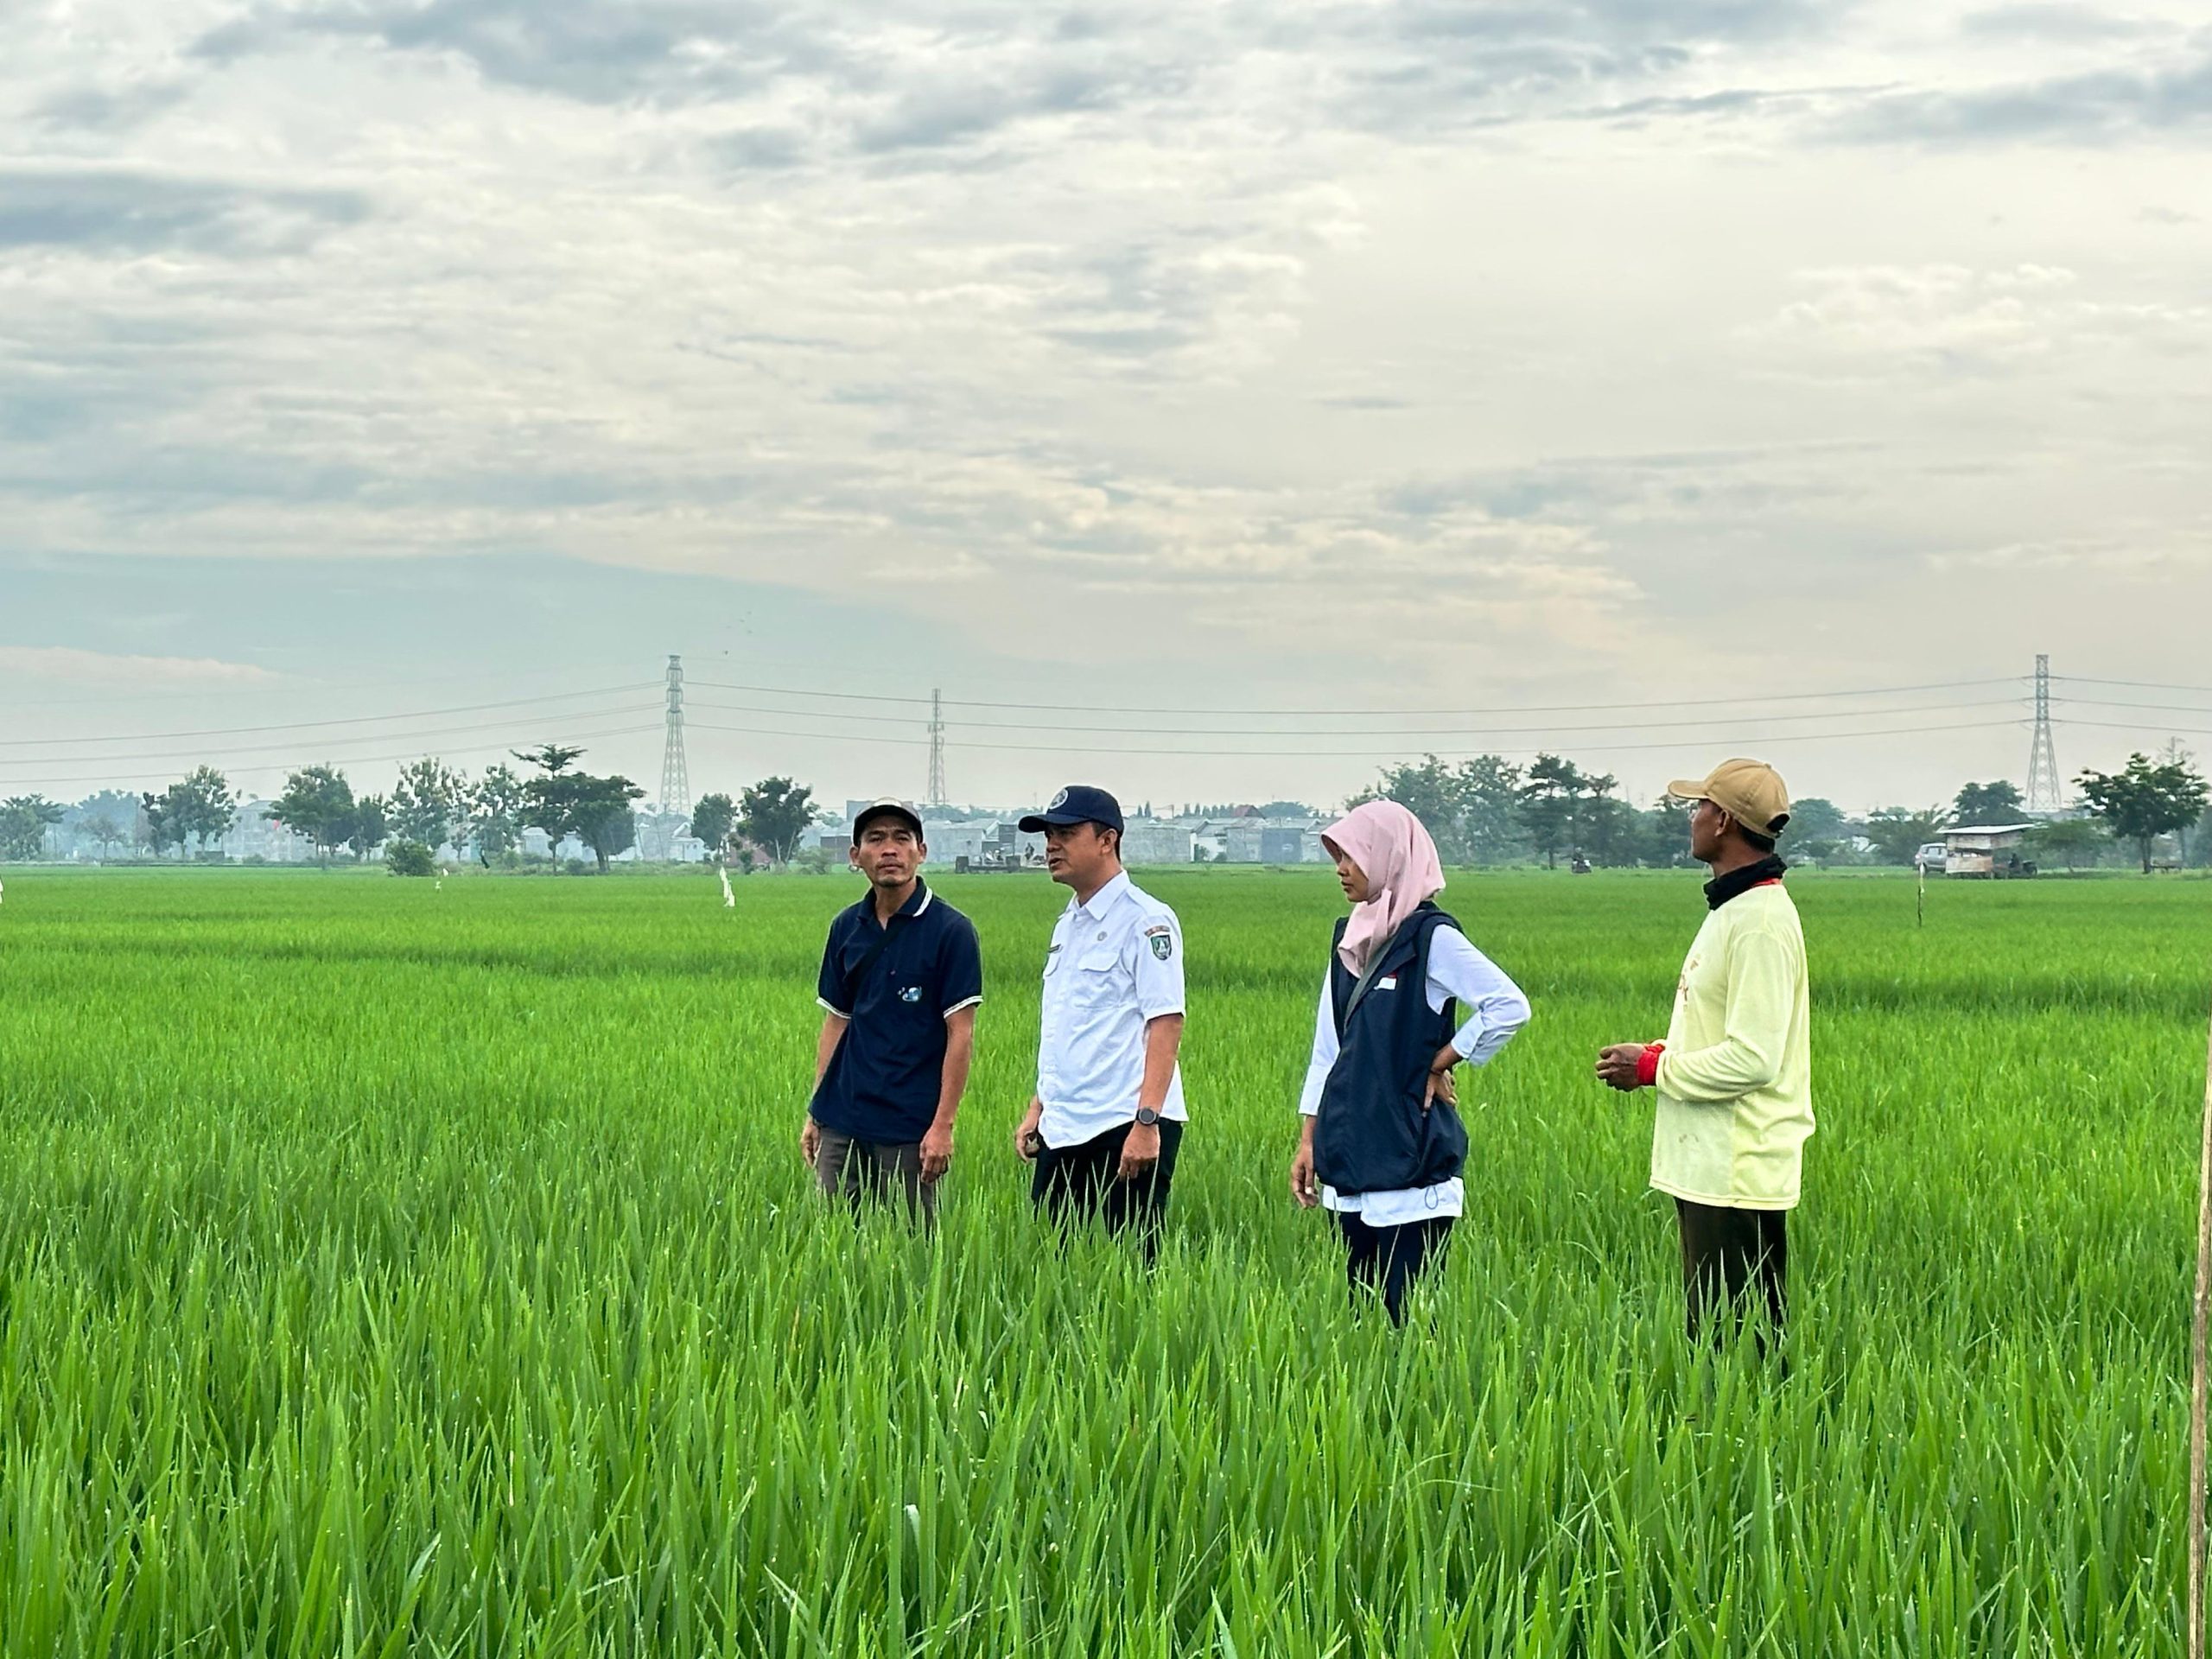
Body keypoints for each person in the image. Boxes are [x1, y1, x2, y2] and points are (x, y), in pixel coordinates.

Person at [1595, 758, 1813, 1345]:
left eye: (1700, 807)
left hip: (1735, 1165)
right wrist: (1663, 1051)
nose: (1692, 818)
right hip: (1714, 1165)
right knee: (1720, 1337)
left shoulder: (1759, 923)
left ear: (1723, 822)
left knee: (1735, 1344)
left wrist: (1651, 1068)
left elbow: (1753, 1058)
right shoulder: (1735, 910)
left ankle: (1752, 1410)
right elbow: (1725, 1035)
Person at [1288, 800, 1530, 1324]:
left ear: (1389, 856)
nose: (1341, 869)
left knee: (1410, 1318)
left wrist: (1442, 1060)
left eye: (1351, 856)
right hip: (1350, 1152)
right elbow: (1328, 1049)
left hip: (1411, 1159)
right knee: (1362, 1317)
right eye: (1337, 857)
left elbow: (1508, 1005)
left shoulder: (1430, 938)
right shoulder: (1349, 938)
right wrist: (1310, 1139)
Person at [1011, 785, 1186, 1252]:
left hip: (1123, 1122)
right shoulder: (1067, 925)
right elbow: (1068, 1027)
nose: (1052, 846)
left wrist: (1146, 1123)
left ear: (1107, 840)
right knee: (1052, 1263)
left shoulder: (1147, 921)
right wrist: (1039, 1107)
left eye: (1066, 834)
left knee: (1131, 1266)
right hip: (1064, 1124)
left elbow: (1166, 1022)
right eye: (1049, 835)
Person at [802, 798, 983, 1224]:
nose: (889, 850)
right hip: (841, 1118)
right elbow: (836, 1022)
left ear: (921, 851)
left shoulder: (951, 931)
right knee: (832, 1238)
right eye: (876, 839)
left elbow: (960, 1034)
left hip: (909, 1126)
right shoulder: (846, 927)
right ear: (856, 855)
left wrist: (943, 1126)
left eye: (902, 839)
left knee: (913, 1245)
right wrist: (816, 1110)